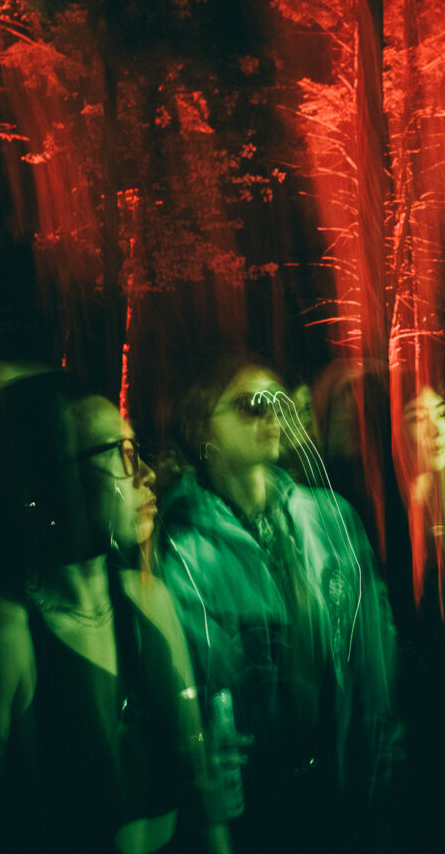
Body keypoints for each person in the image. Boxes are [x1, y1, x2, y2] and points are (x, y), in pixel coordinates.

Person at [0, 374, 221, 853]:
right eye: (122, 454)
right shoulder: (9, 635)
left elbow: (201, 771)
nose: (147, 473)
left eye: (138, 449)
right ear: (55, 475)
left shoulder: (151, 599)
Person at [159, 356, 400, 849]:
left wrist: (383, 762)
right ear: (202, 423)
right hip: (259, 806)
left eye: (279, 401)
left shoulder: (330, 518)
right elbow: (199, 690)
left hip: (344, 779)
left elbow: (374, 649)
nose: (272, 415)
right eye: (251, 404)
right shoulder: (184, 549)